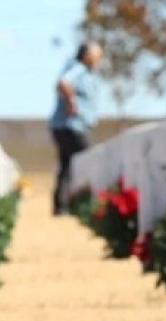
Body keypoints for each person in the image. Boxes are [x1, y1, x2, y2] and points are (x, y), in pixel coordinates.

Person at [49, 42, 103, 215]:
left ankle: (61, 206)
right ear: (87, 56)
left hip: (65, 126)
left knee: (67, 164)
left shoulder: (87, 73)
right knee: (91, 159)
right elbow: (63, 83)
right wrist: (71, 102)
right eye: (98, 56)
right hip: (71, 126)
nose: (100, 60)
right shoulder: (78, 69)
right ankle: (90, 204)